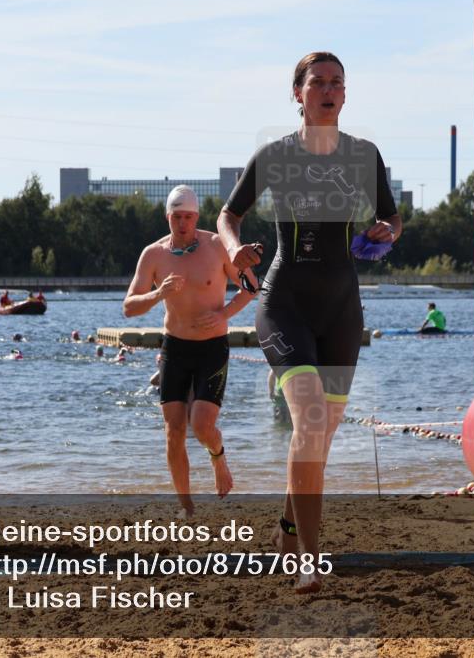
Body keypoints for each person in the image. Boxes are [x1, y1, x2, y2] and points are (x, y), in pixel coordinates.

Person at [217, 52, 401, 594]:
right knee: (311, 421)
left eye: (336, 82)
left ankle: (288, 528)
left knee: (321, 434)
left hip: (343, 307)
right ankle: (308, 560)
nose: (328, 89)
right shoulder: (275, 156)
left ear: (346, 95)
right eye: (317, 82)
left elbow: (391, 215)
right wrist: (233, 252)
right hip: (285, 301)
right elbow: (229, 214)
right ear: (297, 93)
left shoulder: (365, 156)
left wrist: (390, 231)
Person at [124, 184, 258, 518]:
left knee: (201, 426)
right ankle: (187, 506)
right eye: (176, 217)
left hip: (212, 347)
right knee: (173, 431)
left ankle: (219, 457)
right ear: (167, 217)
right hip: (175, 347)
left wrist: (224, 314)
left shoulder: (216, 246)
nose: (182, 223)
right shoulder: (153, 254)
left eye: (188, 217)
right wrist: (158, 295)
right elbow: (128, 307)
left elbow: (252, 286)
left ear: (196, 216)